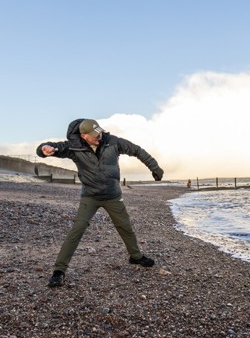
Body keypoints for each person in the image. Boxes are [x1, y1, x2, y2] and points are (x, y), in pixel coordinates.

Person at [36, 118, 164, 288]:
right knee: (77, 229)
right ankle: (59, 271)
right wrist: (43, 149)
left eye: (100, 132)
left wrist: (155, 168)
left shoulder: (113, 142)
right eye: (95, 135)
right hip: (90, 196)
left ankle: (136, 256)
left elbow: (137, 151)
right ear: (83, 136)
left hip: (113, 195)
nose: (99, 136)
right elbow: (49, 147)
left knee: (125, 226)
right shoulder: (74, 147)